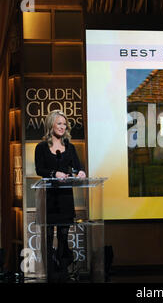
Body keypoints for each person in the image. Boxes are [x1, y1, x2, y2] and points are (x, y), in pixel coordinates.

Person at [35, 110, 86, 282]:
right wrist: (53, 173)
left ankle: (63, 274)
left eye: (64, 124)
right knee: (48, 237)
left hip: (65, 198)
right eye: (59, 123)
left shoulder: (69, 147)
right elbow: (39, 169)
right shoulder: (41, 147)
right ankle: (50, 274)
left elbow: (78, 167)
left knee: (64, 238)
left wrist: (81, 173)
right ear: (51, 125)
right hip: (49, 198)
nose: (62, 127)